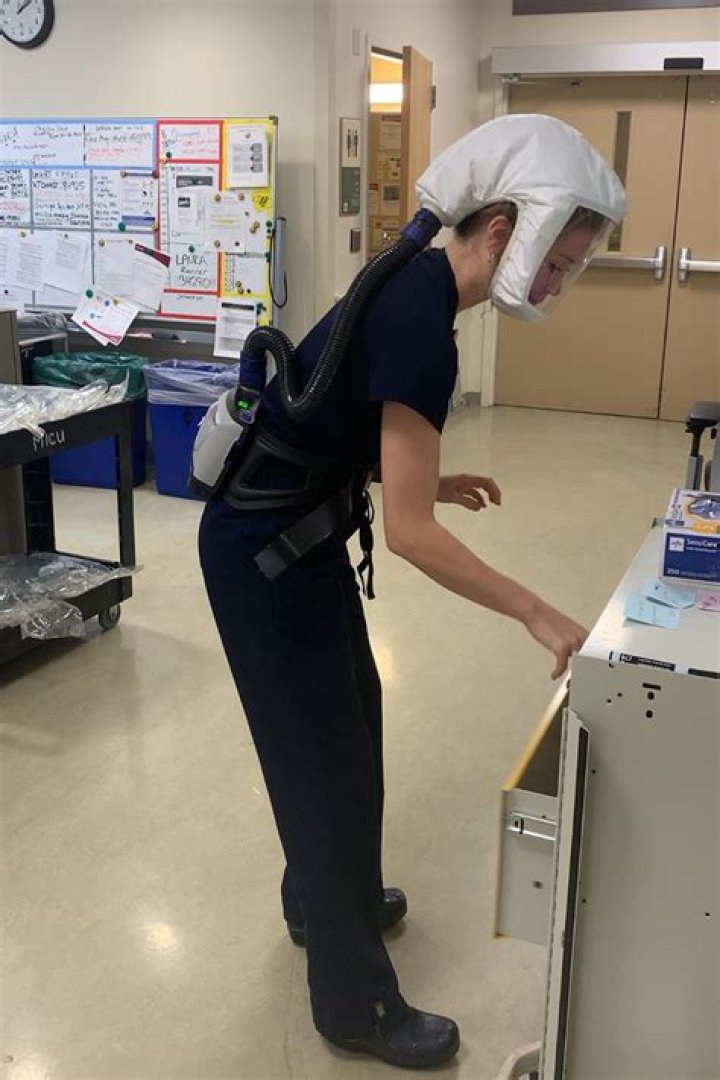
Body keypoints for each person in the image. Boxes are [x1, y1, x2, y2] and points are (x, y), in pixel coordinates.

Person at [198, 114, 626, 1070]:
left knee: (350, 726)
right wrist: (535, 609)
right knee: (325, 763)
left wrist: (431, 477)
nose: (557, 285)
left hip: (292, 538)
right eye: (558, 263)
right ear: (505, 231)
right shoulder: (419, 318)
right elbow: (411, 534)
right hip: (264, 559)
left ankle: (323, 902)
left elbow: (342, 419)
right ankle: (355, 1005)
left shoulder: (418, 285)